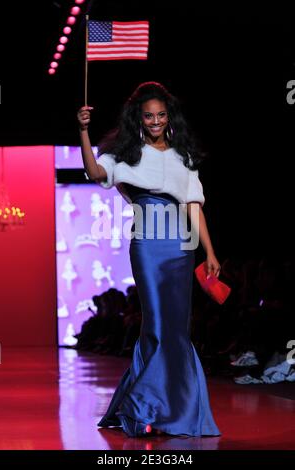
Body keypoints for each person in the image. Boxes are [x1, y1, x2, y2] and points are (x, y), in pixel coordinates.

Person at [77, 81, 221, 437]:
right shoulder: (127, 153)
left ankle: (173, 407)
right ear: (138, 119)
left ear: (168, 117)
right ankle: (146, 405)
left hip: (180, 246)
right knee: (156, 325)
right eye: (148, 116)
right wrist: (83, 131)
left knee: (176, 328)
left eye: (160, 115)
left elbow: (193, 205)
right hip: (148, 244)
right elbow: (96, 173)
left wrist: (210, 250)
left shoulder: (182, 155)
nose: (155, 121)